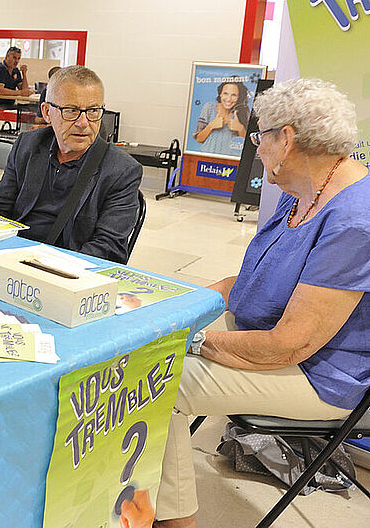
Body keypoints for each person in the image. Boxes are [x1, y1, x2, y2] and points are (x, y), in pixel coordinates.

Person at [154, 78, 370, 528]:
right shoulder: (304, 191)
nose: (256, 148)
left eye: (259, 137)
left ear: (285, 139)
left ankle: (175, 522)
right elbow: (245, 283)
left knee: (158, 383)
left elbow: (290, 345)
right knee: (144, 352)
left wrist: (194, 340)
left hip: (320, 375)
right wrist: (173, 305)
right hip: (271, 340)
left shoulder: (353, 221)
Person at [0, 65, 142, 264]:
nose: (83, 123)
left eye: (92, 111)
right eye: (71, 111)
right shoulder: (27, 145)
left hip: (69, 270)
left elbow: (108, 248)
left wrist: (47, 267)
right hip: (11, 258)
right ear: (47, 112)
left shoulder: (121, 170)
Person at [192, 80, 250, 157]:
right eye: (225, 93)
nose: (229, 99)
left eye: (234, 95)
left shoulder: (243, 112)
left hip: (231, 161)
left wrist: (241, 129)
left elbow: (249, 146)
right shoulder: (209, 107)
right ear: (220, 94)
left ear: (239, 97)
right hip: (206, 160)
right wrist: (211, 126)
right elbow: (199, 139)